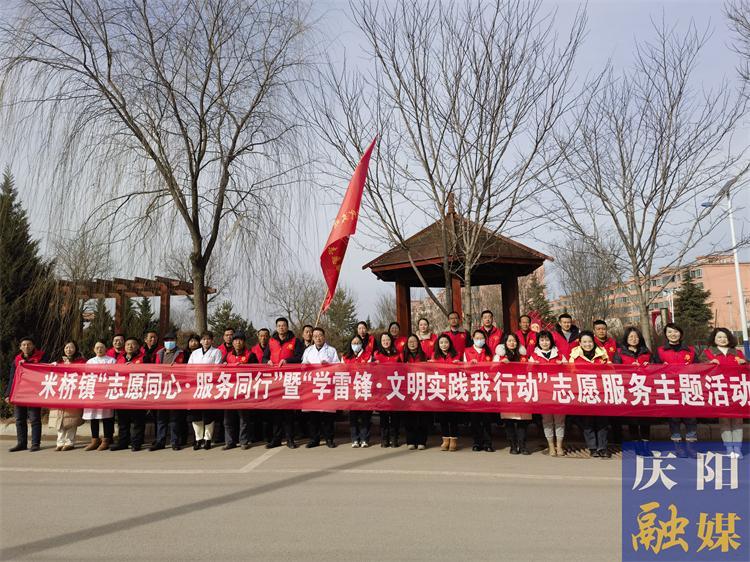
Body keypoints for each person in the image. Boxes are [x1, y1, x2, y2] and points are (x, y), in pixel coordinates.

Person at [652, 323, 698, 457]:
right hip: (669, 390)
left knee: (691, 420)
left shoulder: (690, 350)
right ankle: (678, 447)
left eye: (676, 332)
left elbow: (699, 367)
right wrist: (661, 367)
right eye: (670, 332)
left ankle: (691, 447)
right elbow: (653, 370)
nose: (673, 334)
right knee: (674, 420)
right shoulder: (660, 351)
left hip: (688, 389)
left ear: (681, 334)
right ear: (666, 335)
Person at [701, 327, 746, 458]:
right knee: (724, 419)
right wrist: (709, 363)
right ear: (714, 339)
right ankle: (729, 447)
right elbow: (699, 368)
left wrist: (744, 362)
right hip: (718, 390)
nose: (722, 339)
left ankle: (737, 448)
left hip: (736, 390)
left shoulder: (737, 352)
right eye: (719, 337)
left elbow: (746, 369)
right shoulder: (708, 352)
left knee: (738, 419)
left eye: (725, 337)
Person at [263, 317, 305, 449]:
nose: (281, 327)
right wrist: (267, 362)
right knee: (276, 412)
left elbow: (300, 358)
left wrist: (288, 361)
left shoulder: (295, 341)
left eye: (283, 325)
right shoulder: (271, 341)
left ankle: (290, 439)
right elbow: (264, 357)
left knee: (288, 412)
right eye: (279, 325)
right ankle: (276, 439)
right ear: (276, 328)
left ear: (287, 327)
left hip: (289, 380)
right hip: (274, 380)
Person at [569, 331, 610, 458]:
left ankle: (602, 447)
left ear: (594, 342)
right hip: (584, 392)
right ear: (580, 343)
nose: (587, 344)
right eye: (584, 342)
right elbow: (570, 374)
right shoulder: (574, 356)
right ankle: (592, 447)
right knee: (588, 422)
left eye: (590, 341)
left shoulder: (602, 354)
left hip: (600, 392)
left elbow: (611, 370)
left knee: (602, 422)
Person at [612, 327, 652, 455]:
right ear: (626, 339)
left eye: (636, 337)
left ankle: (646, 445)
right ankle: (636, 445)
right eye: (631, 337)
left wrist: (650, 366)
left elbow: (657, 368)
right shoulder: (620, 353)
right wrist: (628, 368)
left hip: (645, 390)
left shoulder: (646, 352)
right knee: (633, 421)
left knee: (646, 420)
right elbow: (616, 370)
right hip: (629, 391)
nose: (634, 339)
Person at [528, 330, 566, 456]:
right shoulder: (534, 356)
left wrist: (564, 365)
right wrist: (532, 366)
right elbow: (527, 373)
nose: (545, 342)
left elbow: (570, 371)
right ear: (538, 342)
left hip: (558, 391)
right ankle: (551, 446)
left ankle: (559, 446)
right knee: (547, 420)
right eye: (542, 340)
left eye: (547, 340)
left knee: (560, 420)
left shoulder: (559, 354)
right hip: (543, 393)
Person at [301, 327, 340, 448]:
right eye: (315, 335)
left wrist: (329, 365)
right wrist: (305, 366)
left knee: (327, 416)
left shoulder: (331, 350)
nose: (318, 338)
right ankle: (314, 439)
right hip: (312, 387)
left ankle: (329, 439)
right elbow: (302, 366)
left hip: (326, 385)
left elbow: (338, 366)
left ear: (324, 337)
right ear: (312, 338)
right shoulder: (308, 351)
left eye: (320, 335)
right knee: (313, 416)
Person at [7, 337, 47, 452]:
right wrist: (8, 394)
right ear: (20, 347)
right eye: (24, 345)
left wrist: (27, 364)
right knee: (19, 419)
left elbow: (44, 371)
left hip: (34, 393)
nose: (26, 347)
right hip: (20, 393)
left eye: (29, 344)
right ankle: (21, 443)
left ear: (33, 346)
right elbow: (12, 378)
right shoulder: (17, 360)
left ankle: (35, 443)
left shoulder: (41, 357)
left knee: (34, 419)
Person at [494, 333, 532, 455]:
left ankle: (523, 445)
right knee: (509, 420)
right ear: (505, 343)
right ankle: (513, 445)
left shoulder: (523, 356)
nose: (512, 343)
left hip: (521, 390)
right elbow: (491, 371)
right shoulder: (499, 357)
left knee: (523, 421)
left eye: (514, 341)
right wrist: (500, 364)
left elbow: (531, 371)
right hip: (507, 390)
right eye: (509, 341)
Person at [187, 331, 223, 450]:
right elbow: (188, 368)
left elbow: (218, 368)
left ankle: (207, 439)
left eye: (208, 339)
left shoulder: (216, 352)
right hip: (196, 386)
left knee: (208, 414)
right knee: (195, 414)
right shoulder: (195, 353)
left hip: (209, 386)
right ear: (201, 341)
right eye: (204, 339)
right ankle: (198, 439)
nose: (206, 341)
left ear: (212, 340)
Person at [222, 331, 258, 450]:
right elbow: (221, 370)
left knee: (244, 418)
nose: (237, 342)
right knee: (228, 419)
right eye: (235, 340)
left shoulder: (250, 355)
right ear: (232, 342)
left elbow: (256, 372)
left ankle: (244, 441)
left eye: (240, 340)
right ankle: (230, 442)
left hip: (244, 391)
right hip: (230, 391)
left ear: (244, 342)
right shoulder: (228, 355)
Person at [150, 332, 186, 451]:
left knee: (174, 418)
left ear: (175, 340)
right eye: (167, 340)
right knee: (161, 418)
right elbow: (154, 369)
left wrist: (179, 366)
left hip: (175, 388)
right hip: (162, 388)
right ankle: (160, 441)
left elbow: (188, 368)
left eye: (171, 339)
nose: (169, 342)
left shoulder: (182, 353)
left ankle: (175, 441)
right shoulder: (159, 354)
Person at [112, 337, 147, 451]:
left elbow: (150, 373)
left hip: (138, 394)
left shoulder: (144, 358)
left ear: (137, 346)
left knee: (137, 421)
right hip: (122, 394)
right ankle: (123, 442)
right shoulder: (120, 358)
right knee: (123, 421)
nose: (130, 347)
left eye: (133, 344)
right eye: (127, 344)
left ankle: (136, 443)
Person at [50, 341, 86, 451]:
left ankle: (70, 442)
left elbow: (83, 373)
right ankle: (60, 442)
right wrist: (53, 366)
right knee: (59, 419)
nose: (68, 350)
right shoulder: (58, 361)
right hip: (59, 394)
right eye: (66, 347)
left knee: (71, 419)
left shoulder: (81, 361)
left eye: (71, 347)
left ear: (76, 349)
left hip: (73, 393)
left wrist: (71, 365)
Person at [464, 329, 495, 452]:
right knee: (475, 417)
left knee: (486, 417)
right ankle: (477, 442)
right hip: (473, 386)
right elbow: (463, 368)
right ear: (473, 337)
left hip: (486, 386)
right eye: (477, 338)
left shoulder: (488, 351)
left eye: (481, 338)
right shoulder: (467, 351)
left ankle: (488, 443)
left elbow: (492, 368)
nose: (479, 340)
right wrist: (469, 365)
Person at [83, 341, 117, 451]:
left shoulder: (112, 360)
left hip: (106, 392)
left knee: (106, 416)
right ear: (93, 349)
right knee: (93, 417)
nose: (99, 349)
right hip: (93, 391)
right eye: (97, 347)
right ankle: (95, 439)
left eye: (101, 347)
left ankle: (106, 439)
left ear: (106, 349)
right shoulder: (89, 361)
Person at [431, 334, 461, 451]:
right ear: (438, 344)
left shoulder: (456, 355)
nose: (444, 345)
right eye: (441, 342)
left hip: (453, 388)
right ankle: (445, 439)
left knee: (453, 416)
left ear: (450, 344)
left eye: (446, 342)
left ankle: (453, 439)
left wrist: (458, 365)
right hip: (440, 389)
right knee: (442, 416)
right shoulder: (435, 355)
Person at [373, 332, 402, 447]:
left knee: (395, 416)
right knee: (383, 416)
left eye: (388, 339)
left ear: (391, 341)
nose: (386, 342)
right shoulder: (376, 354)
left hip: (395, 388)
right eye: (383, 340)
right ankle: (384, 439)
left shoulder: (398, 354)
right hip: (382, 389)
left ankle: (395, 438)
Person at [343, 335, 372, 447]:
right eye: (354, 343)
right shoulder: (346, 357)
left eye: (358, 342)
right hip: (351, 390)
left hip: (364, 388)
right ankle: (355, 438)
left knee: (365, 415)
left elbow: (370, 370)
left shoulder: (368, 355)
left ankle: (365, 438)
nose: (356, 345)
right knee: (353, 416)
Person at [402, 334, 430, 450]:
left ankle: (422, 441)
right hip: (407, 390)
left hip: (422, 389)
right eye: (410, 342)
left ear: (418, 343)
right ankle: (410, 441)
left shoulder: (424, 356)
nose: (412, 344)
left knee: (422, 417)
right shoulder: (402, 356)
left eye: (414, 341)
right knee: (409, 417)